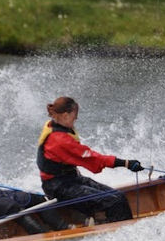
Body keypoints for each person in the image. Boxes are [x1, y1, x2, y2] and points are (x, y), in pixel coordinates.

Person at [37, 96, 143, 224]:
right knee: (113, 202)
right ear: (65, 115)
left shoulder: (54, 124)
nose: (76, 119)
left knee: (119, 197)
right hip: (59, 187)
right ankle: (119, 231)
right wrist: (125, 163)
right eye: (74, 116)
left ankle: (106, 222)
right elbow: (92, 158)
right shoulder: (59, 141)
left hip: (72, 179)